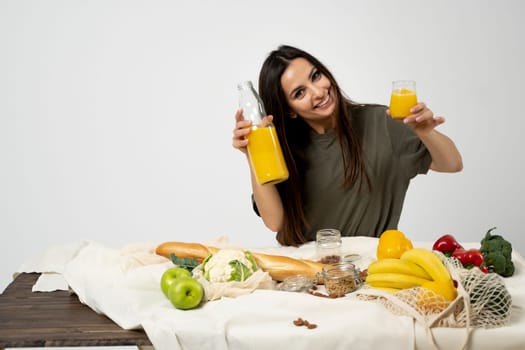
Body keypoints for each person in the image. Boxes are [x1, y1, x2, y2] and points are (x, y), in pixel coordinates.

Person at [232, 45, 463, 247]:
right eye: (299, 93)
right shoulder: (281, 148)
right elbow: (275, 222)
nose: (318, 92)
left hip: (366, 271)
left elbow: (452, 163)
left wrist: (425, 132)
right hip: (301, 272)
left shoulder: (382, 123)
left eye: (316, 76)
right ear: (289, 109)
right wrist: (252, 153)